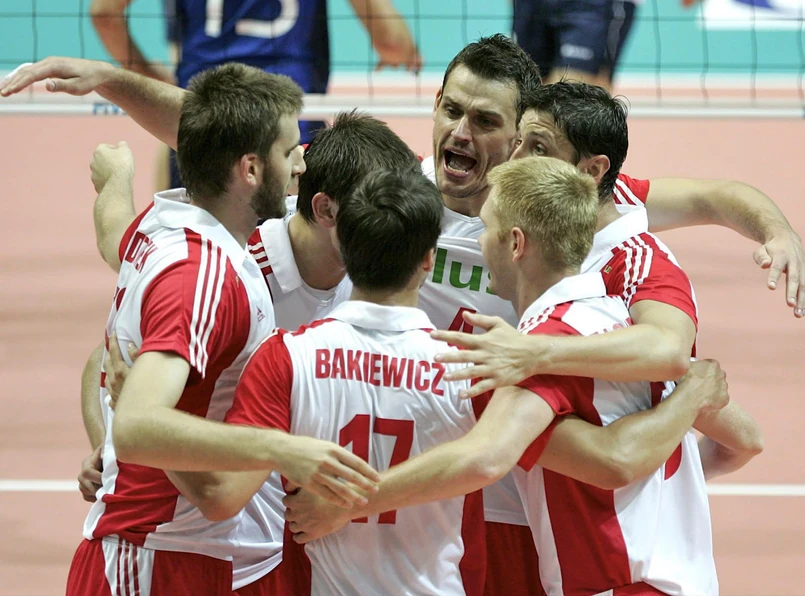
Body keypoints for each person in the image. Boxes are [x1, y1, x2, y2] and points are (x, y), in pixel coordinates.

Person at [64, 63, 380, 595]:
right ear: (251, 169)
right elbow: (138, 423)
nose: (301, 162)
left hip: (192, 553)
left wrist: (115, 178)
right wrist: (282, 450)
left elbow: (111, 230)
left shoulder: (167, 223)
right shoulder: (204, 276)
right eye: (289, 150)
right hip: (156, 557)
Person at [90, 0, 421, 188]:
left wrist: (154, 79)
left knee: (191, 255)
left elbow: (103, 14)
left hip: (204, 124)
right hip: (292, 132)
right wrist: (403, 49)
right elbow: (392, 44)